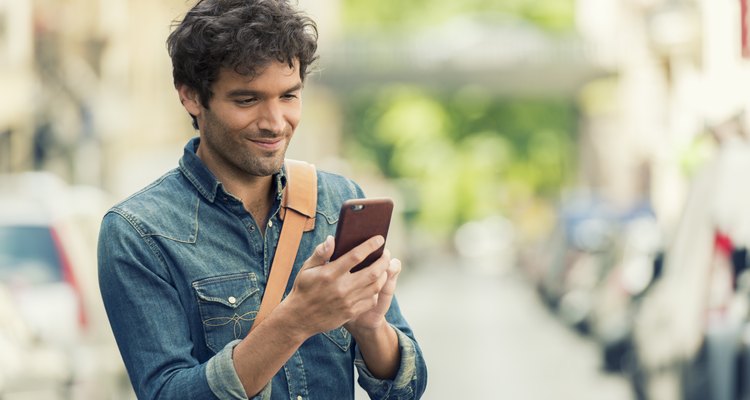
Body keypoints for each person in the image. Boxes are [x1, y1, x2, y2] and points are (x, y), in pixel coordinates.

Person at [97, 0, 427, 399]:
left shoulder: (339, 200)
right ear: (191, 97)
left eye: (289, 96)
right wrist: (296, 320)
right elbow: (169, 393)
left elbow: (405, 390)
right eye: (247, 100)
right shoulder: (138, 232)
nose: (274, 122)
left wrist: (372, 328)